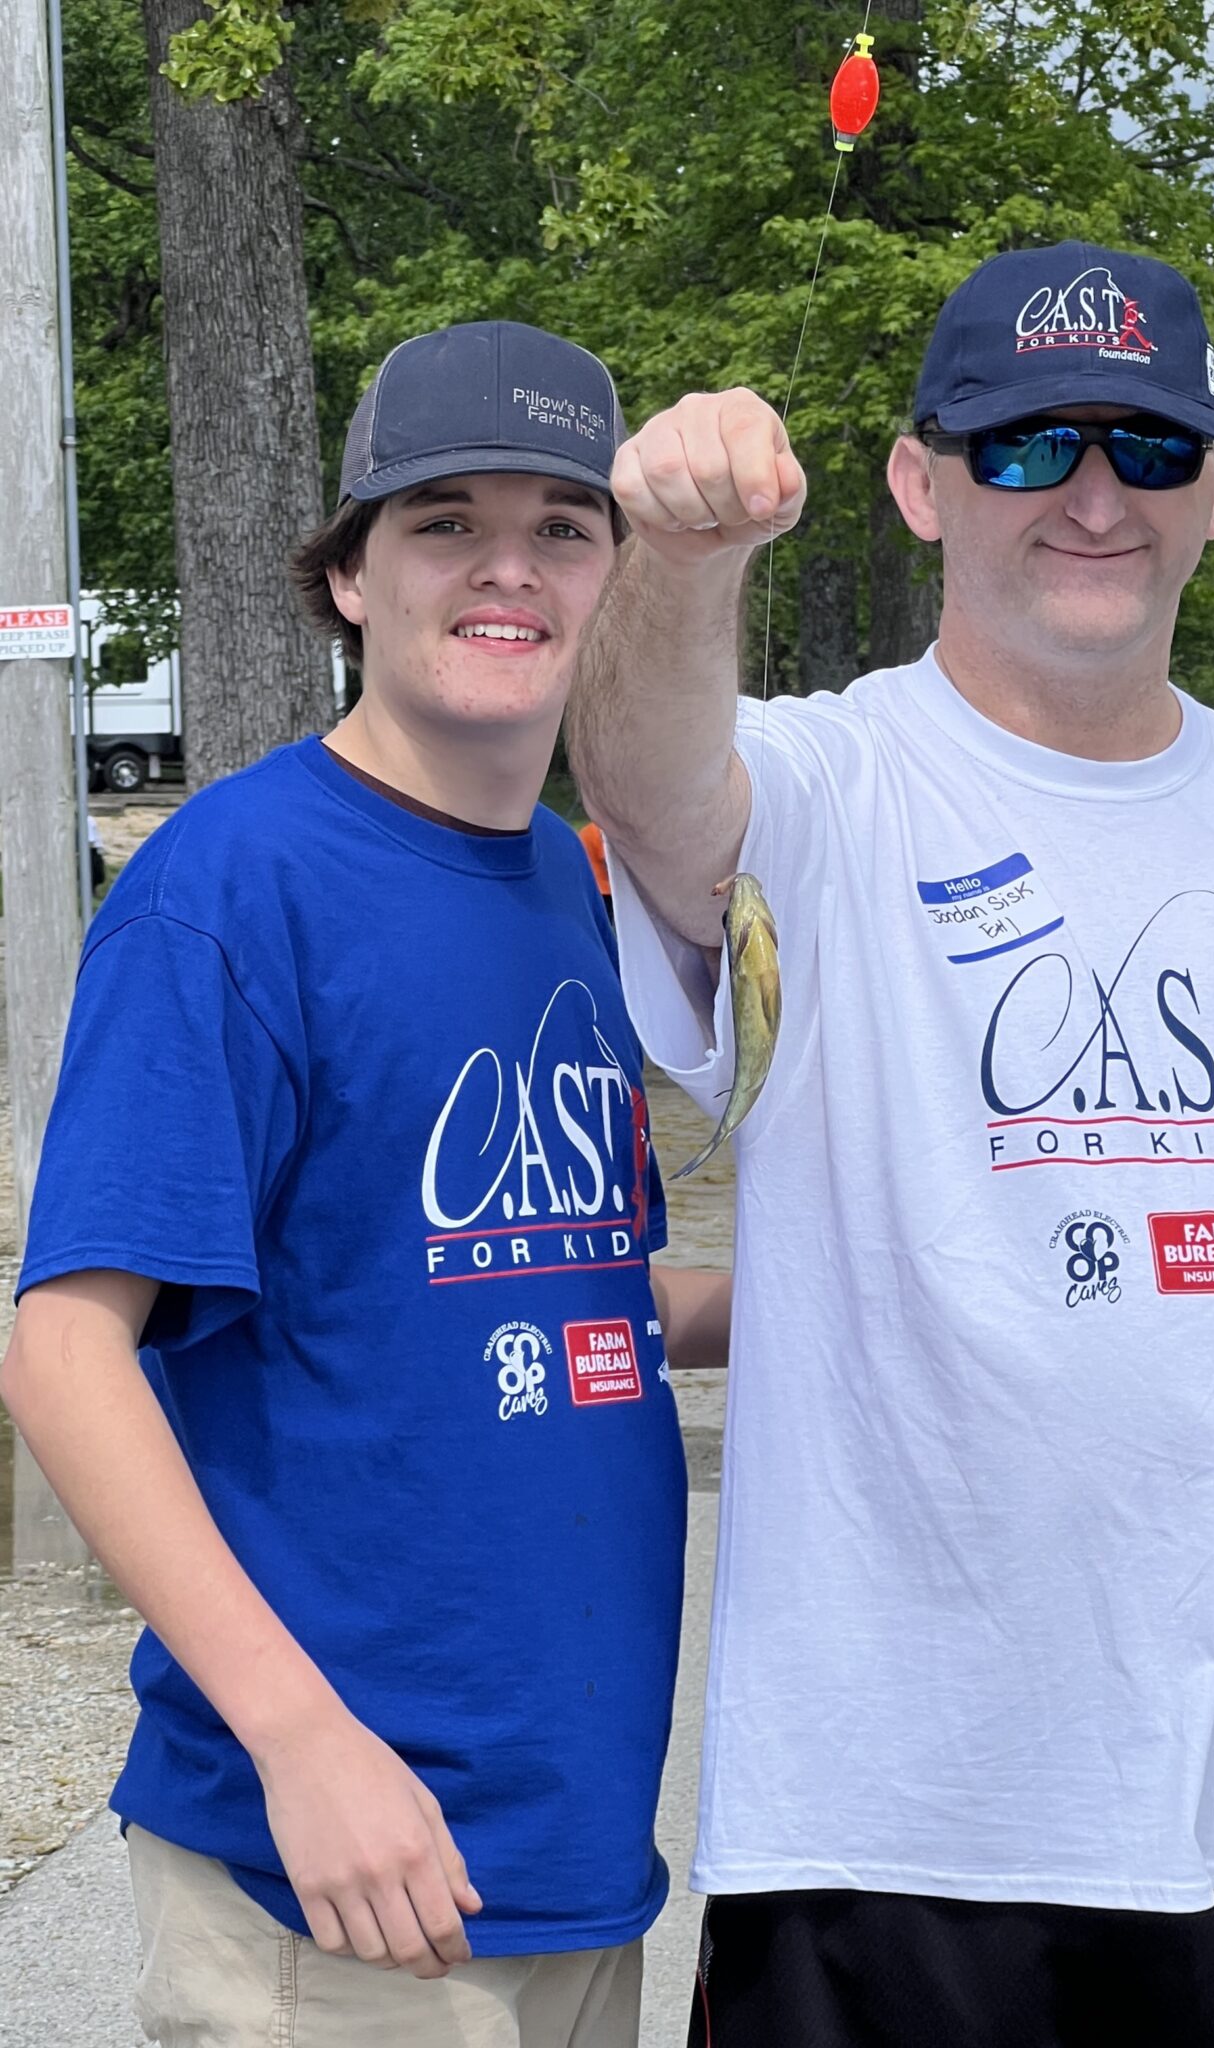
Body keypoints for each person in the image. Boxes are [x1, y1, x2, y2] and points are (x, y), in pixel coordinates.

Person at [566, 244, 1214, 2048]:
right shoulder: (825, 784)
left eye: (1149, 450)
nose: (1092, 496)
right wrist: (680, 563)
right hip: (892, 1823)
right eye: (1025, 447)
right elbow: (653, 793)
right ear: (922, 486)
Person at [0, 319, 730, 2048]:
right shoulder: (230, 887)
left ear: (616, 581)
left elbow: (551, 1291)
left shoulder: (577, 882)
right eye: (443, 522)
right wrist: (301, 1741)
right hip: (328, 1878)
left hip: (571, 1855)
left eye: (563, 525)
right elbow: (63, 1350)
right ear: (347, 578)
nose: (508, 568)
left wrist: (844, 1289)